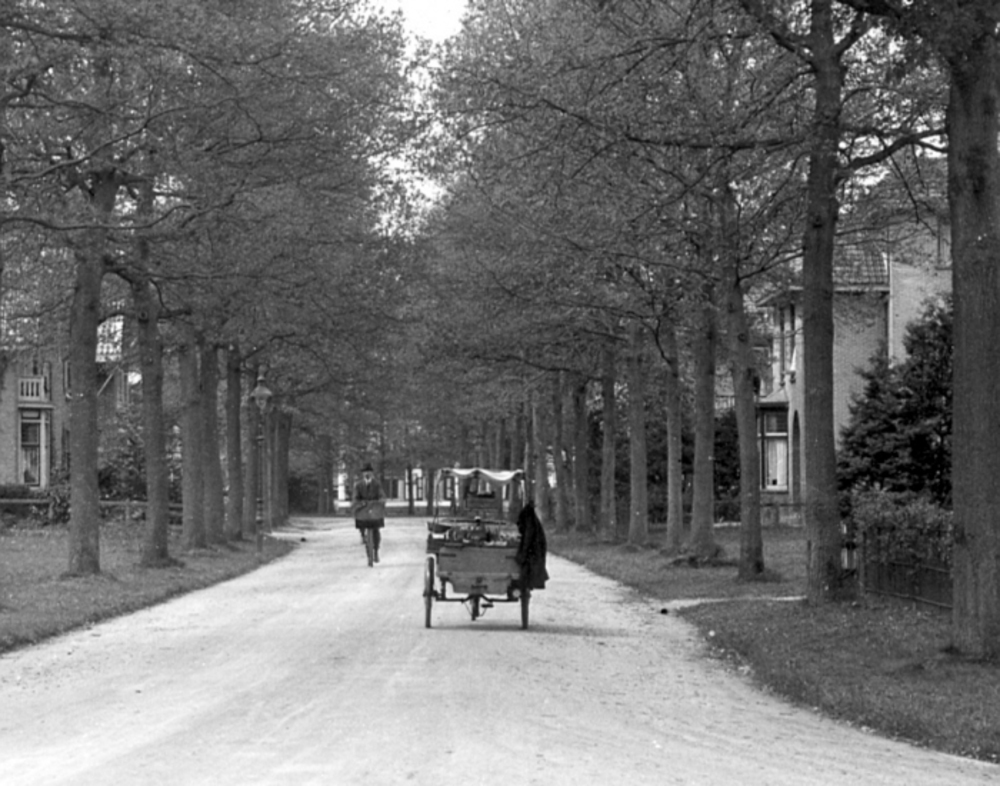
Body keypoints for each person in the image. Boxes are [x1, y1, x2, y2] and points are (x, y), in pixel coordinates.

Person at [353, 463, 385, 562]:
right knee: (361, 521)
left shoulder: (377, 484)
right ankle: (363, 535)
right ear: (363, 474)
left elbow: (381, 495)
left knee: (376, 530)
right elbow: (355, 497)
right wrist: (358, 503)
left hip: (374, 508)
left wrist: (381, 501)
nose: (367, 473)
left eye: (369, 472)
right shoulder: (358, 485)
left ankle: (376, 551)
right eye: (365, 472)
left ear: (372, 473)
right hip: (363, 508)